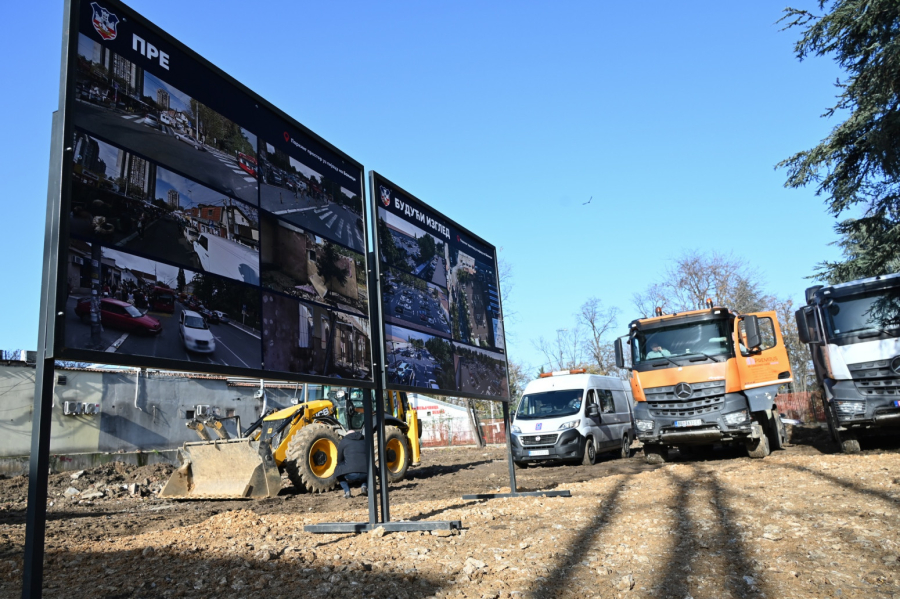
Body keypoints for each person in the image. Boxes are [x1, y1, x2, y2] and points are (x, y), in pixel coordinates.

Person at [334, 429, 368, 498]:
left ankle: (347, 491)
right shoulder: (364, 441)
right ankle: (364, 486)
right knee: (367, 469)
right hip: (365, 473)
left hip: (350, 475)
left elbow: (339, 459)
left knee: (337, 471)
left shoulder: (343, 442)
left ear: (347, 435)